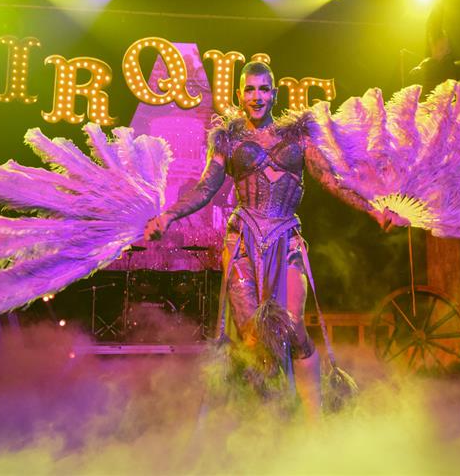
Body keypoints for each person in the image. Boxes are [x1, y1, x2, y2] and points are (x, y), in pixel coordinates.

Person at [144, 61, 399, 417]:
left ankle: (313, 423)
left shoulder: (298, 136)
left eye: (263, 89)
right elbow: (205, 187)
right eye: (249, 89)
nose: (257, 96)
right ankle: (266, 419)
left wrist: (374, 211)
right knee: (253, 337)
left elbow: (330, 180)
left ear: (274, 94)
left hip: (285, 240)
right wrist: (169, 215)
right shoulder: (228, 140)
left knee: (292, 327)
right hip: (243, 245)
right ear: (239, 94)